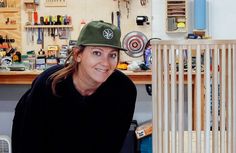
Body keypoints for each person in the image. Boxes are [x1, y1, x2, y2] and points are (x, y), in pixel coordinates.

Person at [12, 20, 137, 153]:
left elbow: (112, 145)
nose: (105, 63)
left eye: (112, 55)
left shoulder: (124, 91)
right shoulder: (49, 84)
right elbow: (29, 142)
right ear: (78, 55)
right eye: (97, 53)